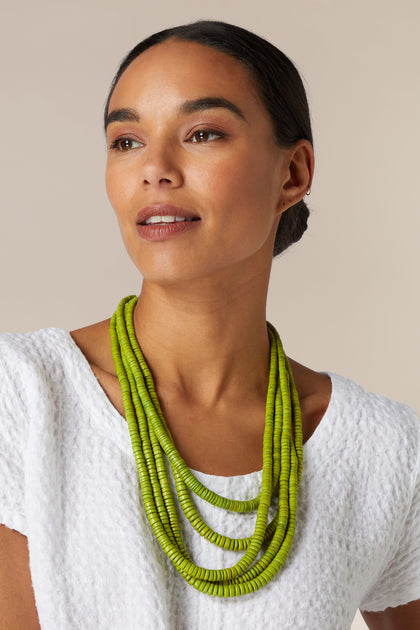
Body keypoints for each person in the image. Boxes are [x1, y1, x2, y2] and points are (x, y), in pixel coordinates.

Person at [0, 20, 419, 630]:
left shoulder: (385, 452)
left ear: (293, 174)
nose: (156, 169)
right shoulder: (22, 397)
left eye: (202, 133)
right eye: (126, 141)